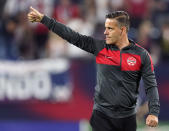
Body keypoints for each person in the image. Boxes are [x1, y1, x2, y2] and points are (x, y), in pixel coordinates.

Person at [27, 7, 160, 131]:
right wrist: (44, 19)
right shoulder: (101, 48)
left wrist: (153, 113)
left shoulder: (141, 55)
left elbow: (151, 86)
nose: (105, 32)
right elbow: (72, 36)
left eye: (110, 28)